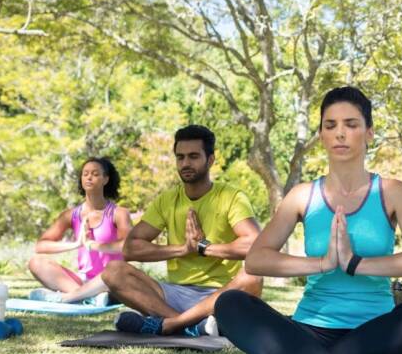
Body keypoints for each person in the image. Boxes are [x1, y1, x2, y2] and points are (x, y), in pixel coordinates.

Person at [214, 86, 402, 354]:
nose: (340, 134)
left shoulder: (392, 192)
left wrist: (355, 264)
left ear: (369, 133)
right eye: (330, 125)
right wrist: (321, 264)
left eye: (351, 124)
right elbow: (256, 259)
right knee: (230, 303)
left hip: (373, 333)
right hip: (309, 329)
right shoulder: (303, 195)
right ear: (321, 135)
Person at [104, 124, 263, 336]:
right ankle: (190, 326)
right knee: (113, 271)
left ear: (210, 160)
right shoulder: (167, 200)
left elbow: (256, 245)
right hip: (175, 293)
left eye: (193, 156)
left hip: (221, 294)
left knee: (253, 277)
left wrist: (204, 247)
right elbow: (131, 249)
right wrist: (182, 249)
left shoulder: (231, 197)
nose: (186, 163)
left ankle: (169, 324)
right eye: (180, 157)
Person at [28, 157, 132, 305]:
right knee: (36, 262)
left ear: (106, 179)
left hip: (110, 278)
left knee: (113, 277)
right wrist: (77, 244)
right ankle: (90, 297)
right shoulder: (71, 215)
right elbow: (41, 246)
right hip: (83, 280)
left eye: (95, 174)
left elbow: (127, 246)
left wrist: (92, 245)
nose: (89, 177)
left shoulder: (119, 213)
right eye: (85, 174)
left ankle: (78, 296)